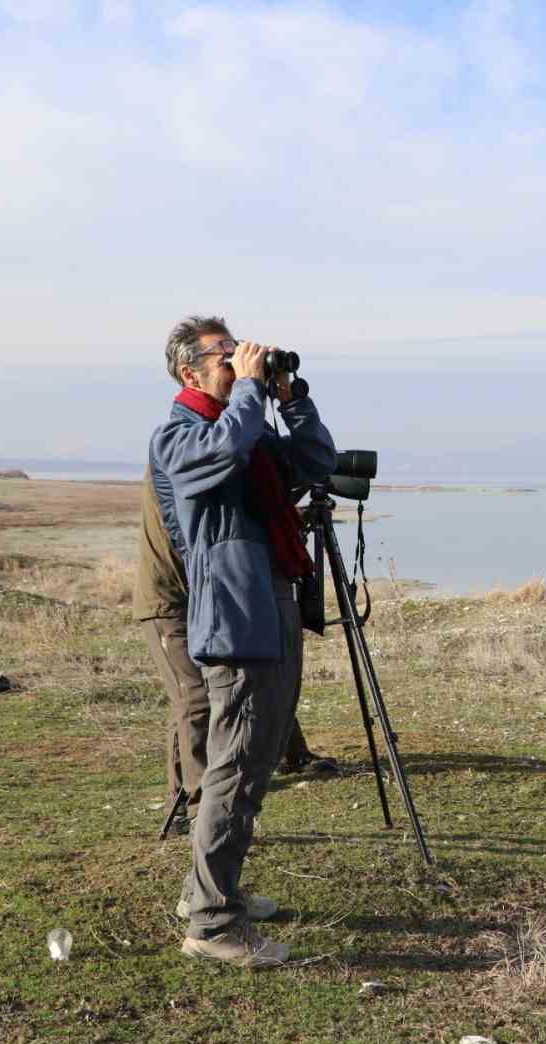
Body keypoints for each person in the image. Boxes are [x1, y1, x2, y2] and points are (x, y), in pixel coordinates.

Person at [151, 315, 336, 967]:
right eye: (225, 356)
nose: (239, 362)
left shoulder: (252, 431)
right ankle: (212, 924)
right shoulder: (179, 434)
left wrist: (294, 400)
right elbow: (223, 451)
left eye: (240, 352)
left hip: (272, 601)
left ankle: (207, 891)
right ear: (190, 372)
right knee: (233, 766)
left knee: (254, 766)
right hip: (235, 614)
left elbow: (318, 462)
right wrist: (254, 393)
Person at [133, 462, 337, 837]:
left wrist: (289, 511)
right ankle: (195, 812)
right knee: (194, 699)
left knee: (253, 674)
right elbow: (212, 518)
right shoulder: (183, 453)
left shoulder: (207, 451)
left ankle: (289, 755)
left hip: (206, 598)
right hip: (171, 602)